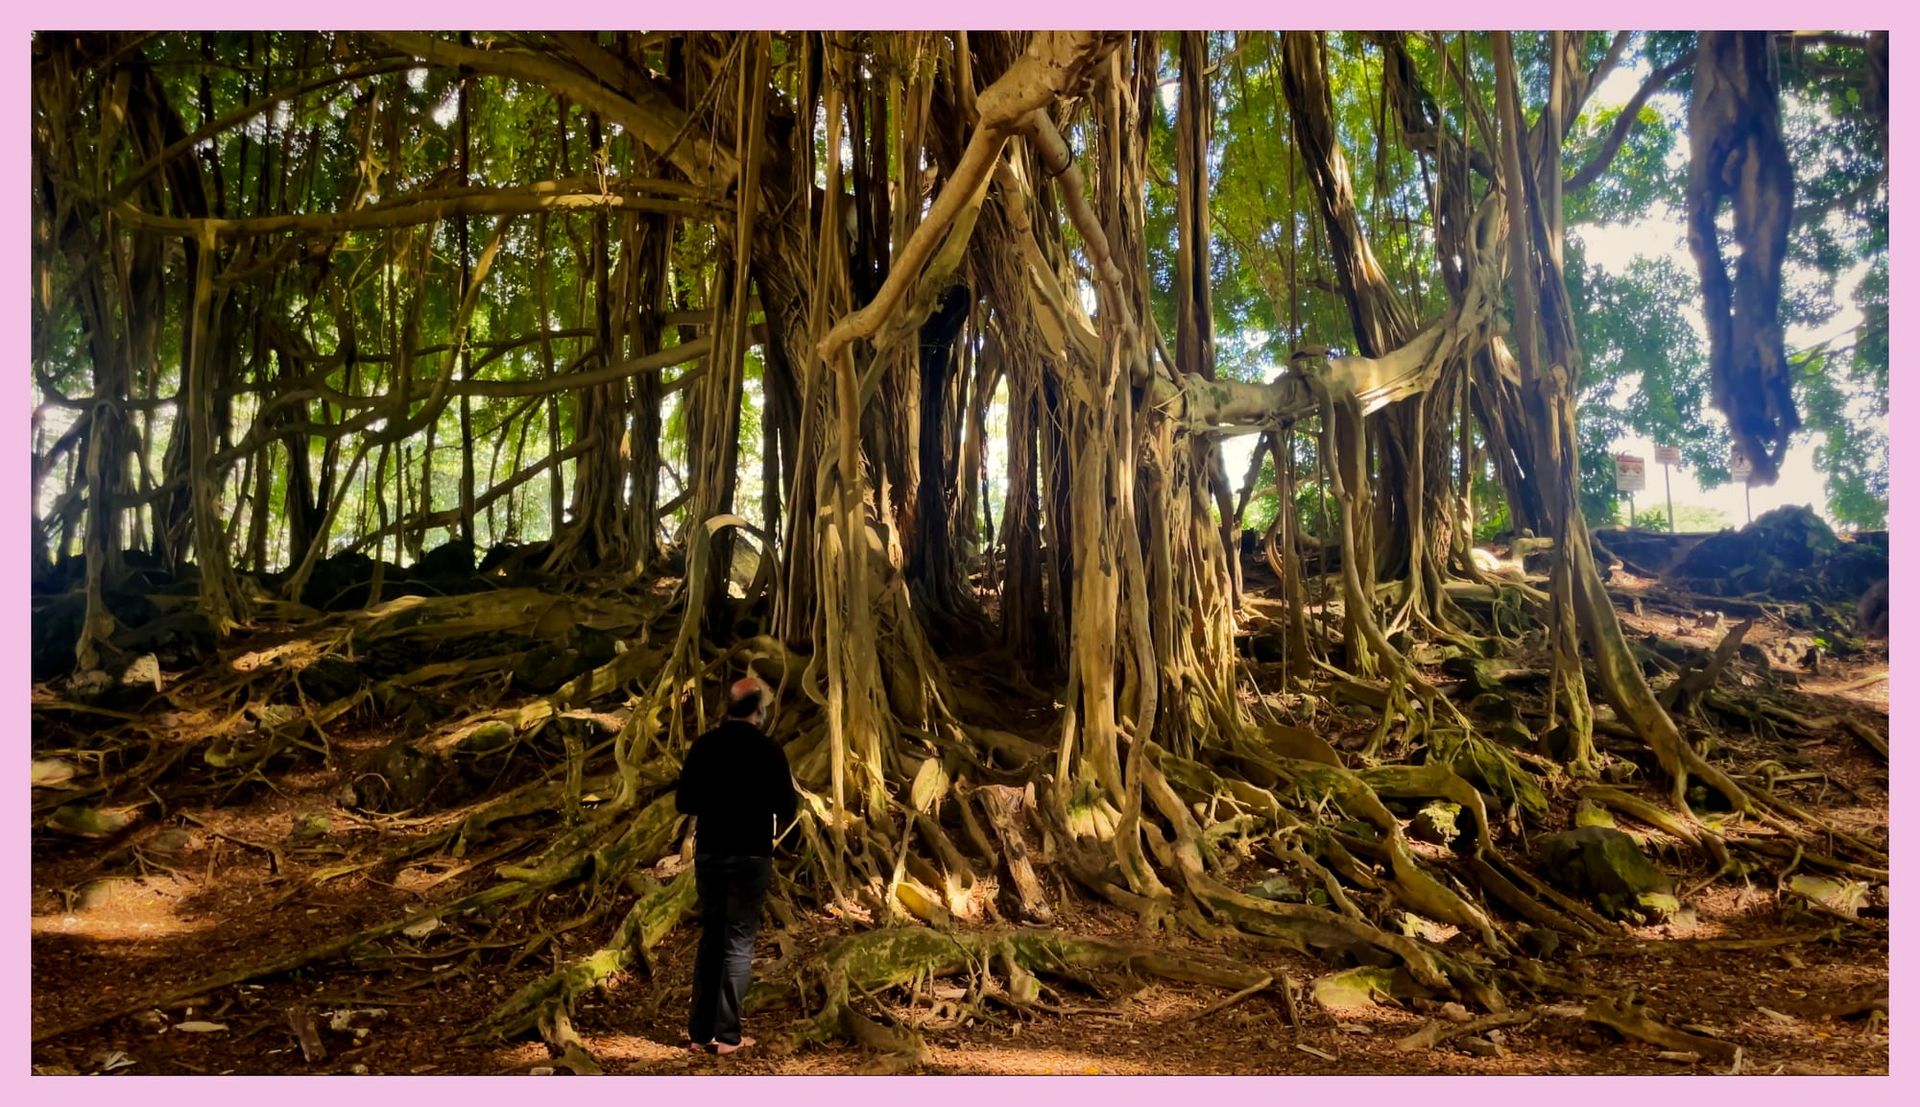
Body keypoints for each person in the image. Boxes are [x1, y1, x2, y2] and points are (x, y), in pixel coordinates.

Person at [674, 675, 797, 1055]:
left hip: (711, 854)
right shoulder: (769, 751)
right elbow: (787, 807)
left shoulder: (705, 746)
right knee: (738, 944)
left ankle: (699, 1033)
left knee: (711, 939)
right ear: (759, 711)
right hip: (750, 855)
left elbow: (684, 802)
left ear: (728, 707)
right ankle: (728, 1037)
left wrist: (716, 800)